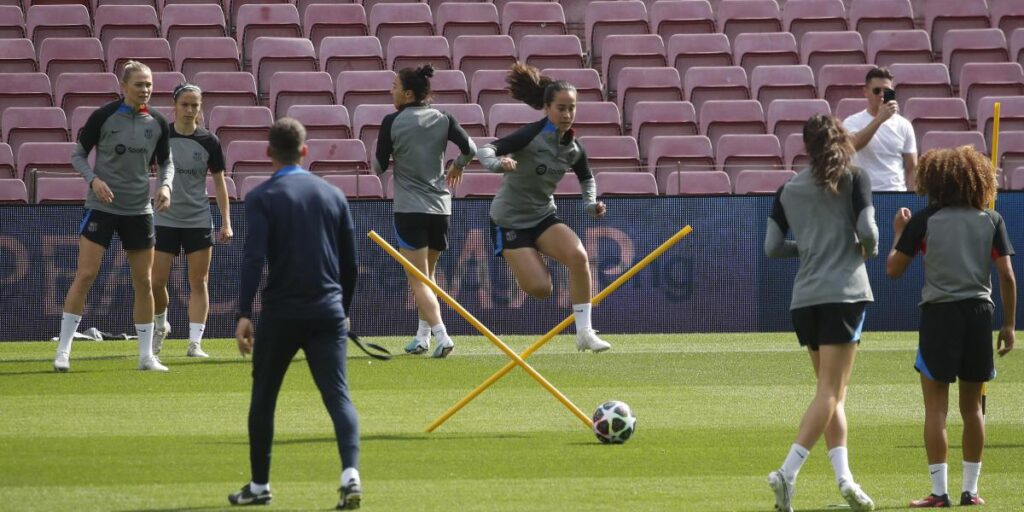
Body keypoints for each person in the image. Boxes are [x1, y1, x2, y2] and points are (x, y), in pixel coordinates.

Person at [231, 118, 362, 509]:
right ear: (305, 151)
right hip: (327, 311)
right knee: (338, 397)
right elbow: (350, 265)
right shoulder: (333, 195)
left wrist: (243, 312)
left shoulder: (261, 197)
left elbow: (253, 258)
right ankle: (350, 474)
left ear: (268, 153)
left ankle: (259, 486)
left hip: (281, 314)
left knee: (265, 398)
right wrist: (345, 309)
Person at [886, 146, 1016, 508]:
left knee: (936, 410)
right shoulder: (991, 219)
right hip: (978, 315)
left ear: (935, 180)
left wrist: (899, 233)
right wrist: (1008, 325)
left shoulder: (924, 219)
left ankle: (939, 493)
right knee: (972, 409)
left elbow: (893, 270)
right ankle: (970, 492)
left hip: (938, 316)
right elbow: (1006, 274)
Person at [764, 114, 878, 512]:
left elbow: (773, 248)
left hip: (805, 300)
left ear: (806, 146)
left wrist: (810, 249)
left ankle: (846, 480)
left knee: (831, 396)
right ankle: (787, 472)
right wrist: (867, 249)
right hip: (843, 295)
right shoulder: (854, 178)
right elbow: (869, 232)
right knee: (831, 392)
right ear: (840, 139)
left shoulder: (787, 188)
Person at [476, 63, 610, 353]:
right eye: (561, 108)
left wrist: (590, 205)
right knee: (541, 289)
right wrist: (498, 164)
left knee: (578, 256)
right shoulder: (530, 135)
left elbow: (587, 179)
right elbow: (484, 150)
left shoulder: (574, 148)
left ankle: (585, 333)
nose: (566, 114)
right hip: (509, 220)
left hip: (542, 216)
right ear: (547, 108)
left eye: (571, 108)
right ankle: (525, 257)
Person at [54, 60, 175, 373]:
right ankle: (63, 351)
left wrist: (165, 186)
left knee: (144, 282)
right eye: (139, 84)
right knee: (85, 275)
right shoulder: (104, 116)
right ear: (124, 86)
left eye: (149, 84)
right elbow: (77, 154)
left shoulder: (158, 122)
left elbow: (166, 162)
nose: (145, 89)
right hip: (102, 207)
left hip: (139, 210)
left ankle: (146, 356)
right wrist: (93, 179)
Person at [373, 64, 476, 358]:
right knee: (427, 277)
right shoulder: (444, 118)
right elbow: (469, 148)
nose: (390, 91)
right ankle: (422, 337)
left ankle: (442, 336)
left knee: (418, 280)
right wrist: (457, 165)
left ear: (407, 93)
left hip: (410, 209)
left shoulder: (391, 121)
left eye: (394, 86)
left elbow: (378, 166)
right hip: (441, 208)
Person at [151, 83, 232, 359]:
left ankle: (195, 343)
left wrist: (226, 221)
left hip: (198, 219)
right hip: (165, 219)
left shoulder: (209, 141)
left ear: (200, 108)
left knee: (199, 281)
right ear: (174, 105)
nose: (189, 110)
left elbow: (220, 184)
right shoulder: (161, 136)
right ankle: (161, 326)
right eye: (184, 104)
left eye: (194, 105)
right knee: (155, 281)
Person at [843, 66, 918, 191]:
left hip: (895, 193)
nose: (882, 95)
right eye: (877, 90)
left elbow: (912, 168)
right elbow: (851, 146)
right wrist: (879, 119)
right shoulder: (852, 122)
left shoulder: (904, 125)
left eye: (887, 91)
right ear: (866, 92)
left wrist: (912, 200)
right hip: (864, 194)